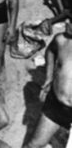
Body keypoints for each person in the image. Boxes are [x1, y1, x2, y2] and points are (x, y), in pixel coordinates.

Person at [26, 16, 72, 148]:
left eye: (71, 20)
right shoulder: (62, 40)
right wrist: (49, 77)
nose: (66, 22)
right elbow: (50, 52)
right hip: (56, 106)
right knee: (34, 144)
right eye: (67, 19)